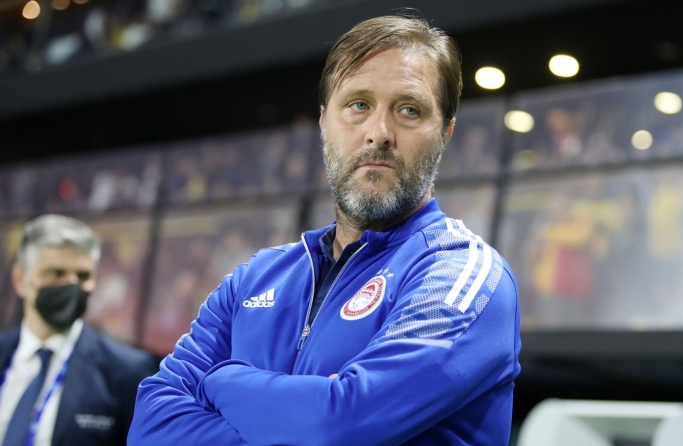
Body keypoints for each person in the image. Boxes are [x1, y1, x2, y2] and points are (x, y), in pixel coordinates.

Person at [129, 15, 521, 445]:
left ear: (445, 133)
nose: (379, 133)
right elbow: (151, 426)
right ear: (323, 123)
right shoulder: (255, 278)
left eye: (409, 110)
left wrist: (219, 381)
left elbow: (341, 425)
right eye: (358, 105)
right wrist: (307, 412)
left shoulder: (462, 275)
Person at [0, 215, 157, 446]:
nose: (71, 285)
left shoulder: (127, 371)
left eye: (83, 276)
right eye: (55, 273)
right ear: (20, 278)